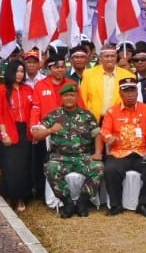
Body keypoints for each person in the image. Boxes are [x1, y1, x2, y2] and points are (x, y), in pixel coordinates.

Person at [35, 81, 102, 218]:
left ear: (77, 97)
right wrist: (50, 130)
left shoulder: (87, 115)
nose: (69, 98)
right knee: (50, 168)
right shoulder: (53, 115)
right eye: (66, 96)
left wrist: (98, 153)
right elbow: (36, 135)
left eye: (72, 95)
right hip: (60, 157)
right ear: (62, 98)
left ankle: (83, 201)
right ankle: (67, 202)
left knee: (99, 168)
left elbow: (97, 135)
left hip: (82, 157)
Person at [100, 79, 146, 216]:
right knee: (110, 169)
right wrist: (109, 138)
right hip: (119, 153)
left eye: (132, 90)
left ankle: (144, 204)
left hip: (141, 153)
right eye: (126, 91)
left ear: (137, 92)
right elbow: (105, 131)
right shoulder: (111, 111)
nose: (130, 94)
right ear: (120, 93)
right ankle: (116, 205)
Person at [0, 59, 34, 212]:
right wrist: (4, 134)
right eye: (17, 71)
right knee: (10, 167)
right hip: (9, 130)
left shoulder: (28, 89)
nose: (20, 74)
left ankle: (22, 197)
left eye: (22, 71)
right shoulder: (2, 90)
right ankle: (10, 196)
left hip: (26, 131)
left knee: (23, 166)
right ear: (10, 72)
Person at [81, 45, 136, 120]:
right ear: (100, 58)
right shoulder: (88, 74)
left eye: (112, 56)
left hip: (119, 119)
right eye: (106, 56)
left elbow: (132, 101)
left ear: (116, 57)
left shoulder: (128, 76)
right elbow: (83, 98)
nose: (110, 59)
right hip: (94, 120)